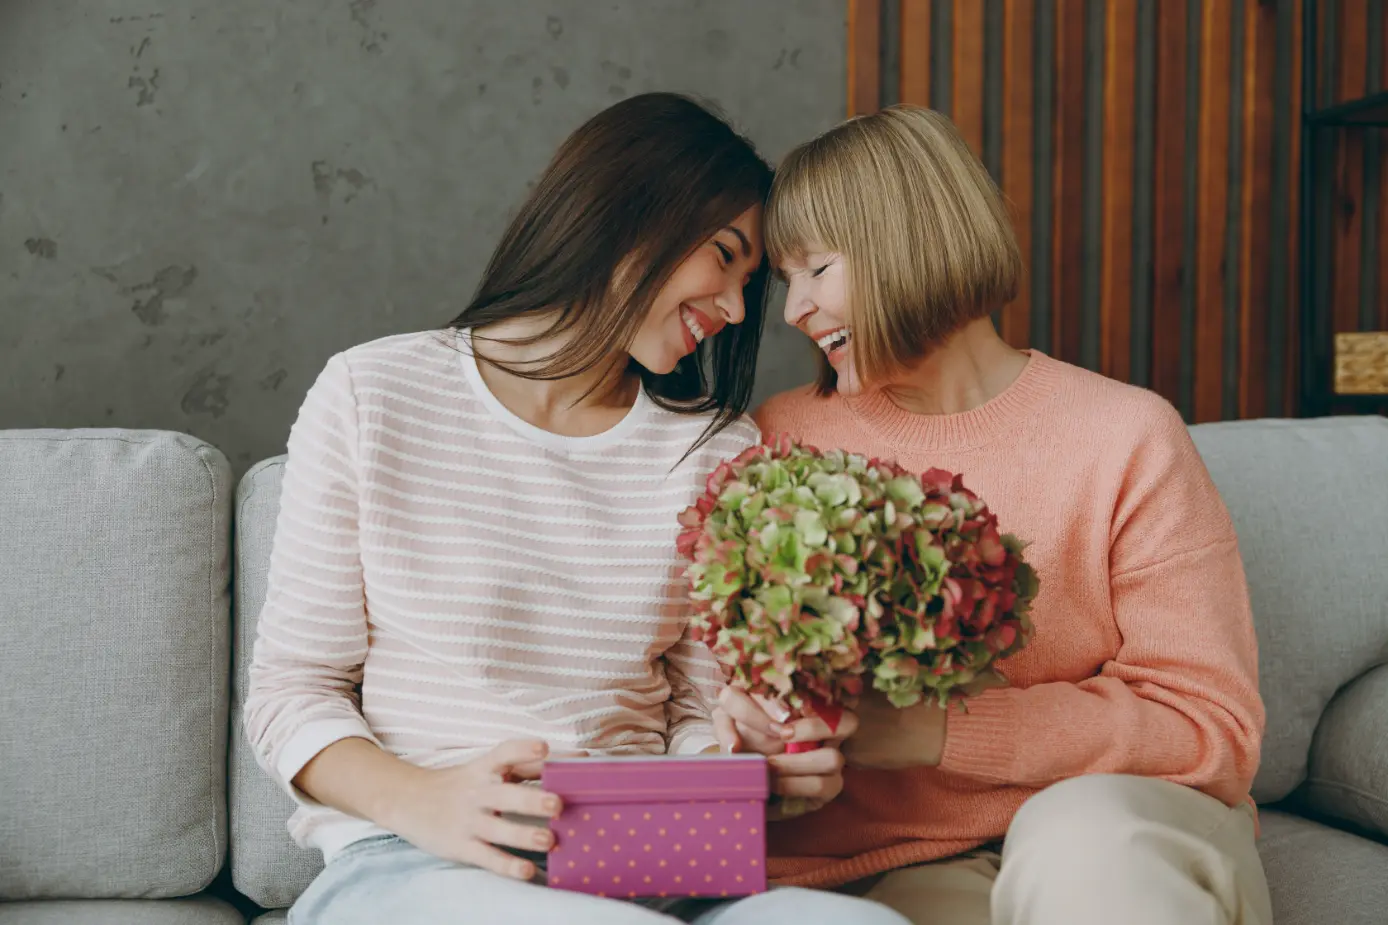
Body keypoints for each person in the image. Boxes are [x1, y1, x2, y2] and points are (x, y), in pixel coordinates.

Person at [243, 92, 907, 925]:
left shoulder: (714, 449)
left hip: (649, 864)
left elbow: (695, 710)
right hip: (410, 861)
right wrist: (427, 801)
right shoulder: (375, 394)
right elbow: (289, 691)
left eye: (750, 284)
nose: (739, 311)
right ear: (629, 217)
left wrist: (743, 764)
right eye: (724, 258)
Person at [712, 105, 1273, 924]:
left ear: (908, 240)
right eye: (783, 281)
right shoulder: (779, 440)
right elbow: (720, 686)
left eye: (817, 269)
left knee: (1083, 840)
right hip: (889, 868)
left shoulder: (1125, 436)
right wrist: (752, 734)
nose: (794, 310)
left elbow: (1210, 729)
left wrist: (942, 730)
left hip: (1120, 828)